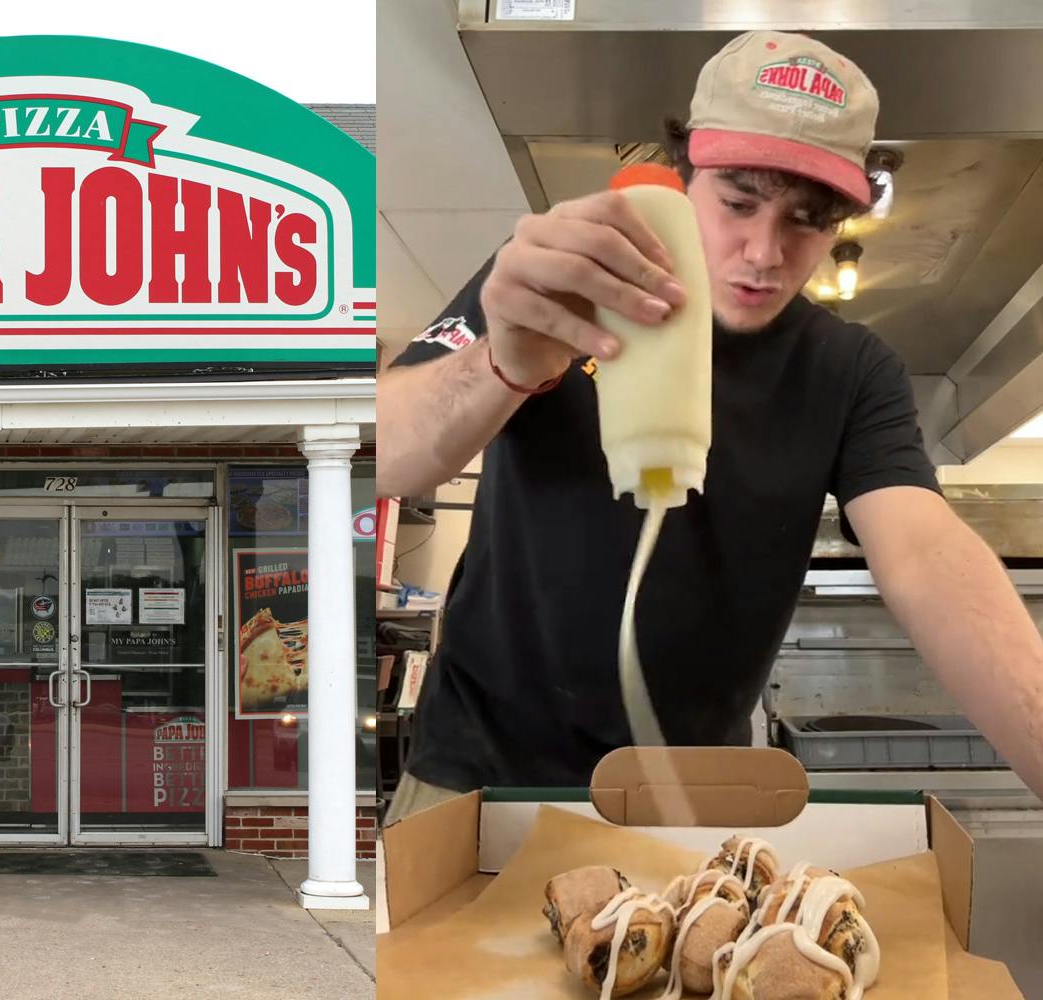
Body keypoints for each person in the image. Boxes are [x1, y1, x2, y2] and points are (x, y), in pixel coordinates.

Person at [376, 30, 1043, 823]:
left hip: (693, 795)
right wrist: (504, 365)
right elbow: (392, 458)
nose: (765, 252)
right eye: (738, 201)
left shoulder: (851, 372)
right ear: (684, 172)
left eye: (808, 219)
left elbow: (926, 554)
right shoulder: (568, 290)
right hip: (475, 774)